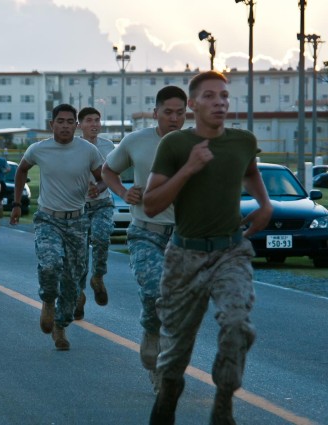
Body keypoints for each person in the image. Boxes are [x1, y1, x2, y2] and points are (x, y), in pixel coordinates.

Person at [143, 71, 272, 424]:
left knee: (236, 324)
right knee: (176, 351)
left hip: (231, 252)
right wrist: (189, 169)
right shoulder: (175, 146)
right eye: (211, 96)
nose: (220, 103)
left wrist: (264, 204)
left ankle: (223, 402)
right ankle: (168, 395)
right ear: (193, 104)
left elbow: (249, 170)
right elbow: (152, 204)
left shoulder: (243, 140)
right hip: (185, 255)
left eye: (225, 96)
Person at [101, 86, 187, 393]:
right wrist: (124, 193)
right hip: (145, 232)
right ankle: (151, 332)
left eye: (180, 113)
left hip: (182, 238)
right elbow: (107, 170)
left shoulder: (195, 145)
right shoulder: (136, 141)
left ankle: (167, 365)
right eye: (168, 112)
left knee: (177, 304)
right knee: (153, 290)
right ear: (156, 113)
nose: (174, 119)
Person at [10, 103, 105, 350]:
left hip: (76, 221)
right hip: (48, 219)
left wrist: (98, 188)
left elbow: (104, 177)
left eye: (69, 122)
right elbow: (21, 171)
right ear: (52, 124)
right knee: (50, 264)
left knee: (73, 282)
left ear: (76, 125)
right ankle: (48, 300)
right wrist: (17, 203)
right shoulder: (38, 149)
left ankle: (60, 327)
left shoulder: (88, 150)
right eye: (59, 121)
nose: (64, 126)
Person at [74, 107, 115, 320]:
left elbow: (112, 174)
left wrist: (99, 188)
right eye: (89, 120)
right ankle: (78, 295)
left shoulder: (108, 147)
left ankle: (98, 277)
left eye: (97, 120)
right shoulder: (73, 147)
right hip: (78, 208)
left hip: (102, 204)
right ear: (79, 125)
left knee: (101, 238)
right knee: (79, 255)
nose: (94, 124)